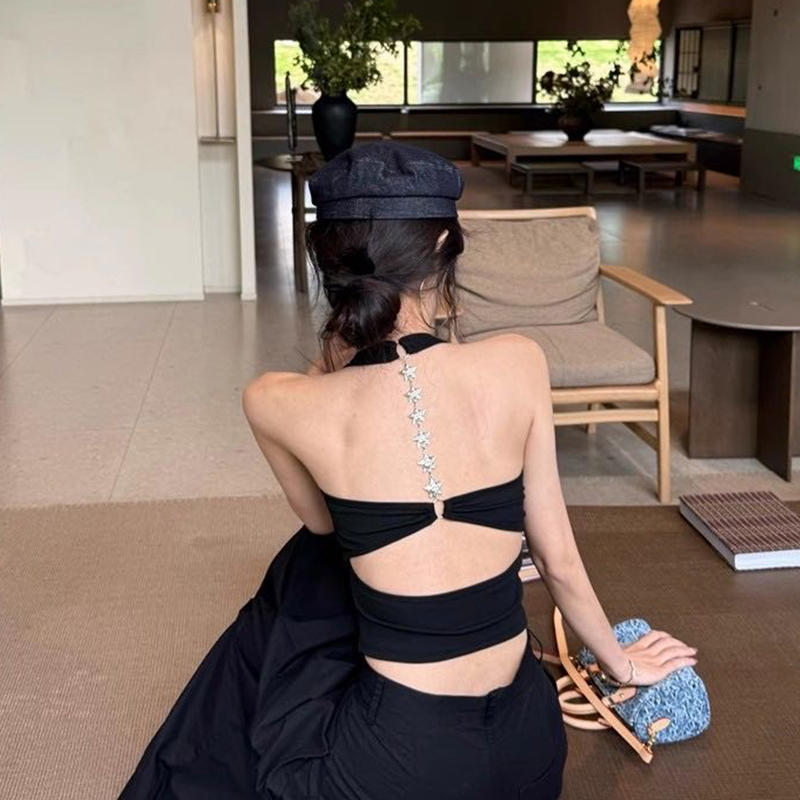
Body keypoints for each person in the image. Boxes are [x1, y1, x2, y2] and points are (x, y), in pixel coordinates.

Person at [116, 142, 697, 800]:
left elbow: (324, 525)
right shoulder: (519, 361)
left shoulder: (275, 401)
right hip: (529, 754)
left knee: (306, 565)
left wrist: (347, 341)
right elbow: (558, 561)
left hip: (395, 769)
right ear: (445, 244)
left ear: (329, 261)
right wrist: (621, 666)